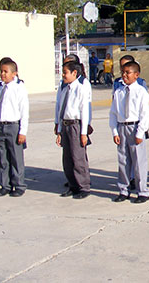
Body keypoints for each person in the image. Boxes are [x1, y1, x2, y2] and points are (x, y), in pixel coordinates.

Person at [110, 61, 149, 203]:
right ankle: (124, 189)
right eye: (123, 72)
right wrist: (115, 131)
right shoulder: (119, 92)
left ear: (136, 75)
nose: (124, 75)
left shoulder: (141, 92)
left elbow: (144, 114)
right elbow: (113, 113)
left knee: (138, 161)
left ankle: (142, 191)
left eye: (128, 72)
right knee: (123, 160)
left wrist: (140, 133)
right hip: (122, 127)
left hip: (135, 128)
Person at [0, 57, 29, 197]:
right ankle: (5, 185)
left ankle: (19, 185)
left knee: (16, 157)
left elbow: (24, 111)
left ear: (14, 73)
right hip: (0, 126)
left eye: (6, 71)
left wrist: (22, 131)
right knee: (3, 158)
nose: (3, 74)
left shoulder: (19, 88)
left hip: (13, 126)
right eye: (1, 71)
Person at [56, 61, 91, 199]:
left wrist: (84, 133)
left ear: (74, 73)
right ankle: (73, 185)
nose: (63, 75)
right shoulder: (65, 90)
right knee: (67, 159)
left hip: (76, 125)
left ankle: (84, 187)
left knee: (78, 158)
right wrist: (59, 130)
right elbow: (61, 111)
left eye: (65, 72)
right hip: (65, 125)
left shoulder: (80, 89)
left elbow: (84, 112)